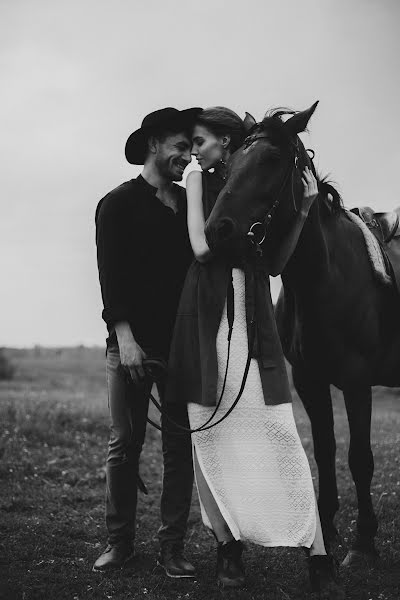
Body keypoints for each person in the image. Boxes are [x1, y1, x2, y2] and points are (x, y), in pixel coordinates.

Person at [165, 107, 344, 597]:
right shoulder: (200, 181)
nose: (193, 151)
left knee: (277, 429)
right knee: (210, 426)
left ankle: (318, 553)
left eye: (199, 141)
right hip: (206, 309)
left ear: (227, 141)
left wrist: (304, 208)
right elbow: (202, 250)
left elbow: (277, 264)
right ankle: (228, 545)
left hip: (252, 309)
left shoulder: (255, 182)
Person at [94, 107, 201, 576]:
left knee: (179, 447)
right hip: (130, 345)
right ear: (154, 144)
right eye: (181, 145)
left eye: (192, 147)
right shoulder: (116, 204)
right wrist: (126, 339)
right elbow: (110, 280)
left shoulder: (188, 205)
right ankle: (120, 544)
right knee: (125, 445)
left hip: (181, 347)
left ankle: (172, 547)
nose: (187, 154)